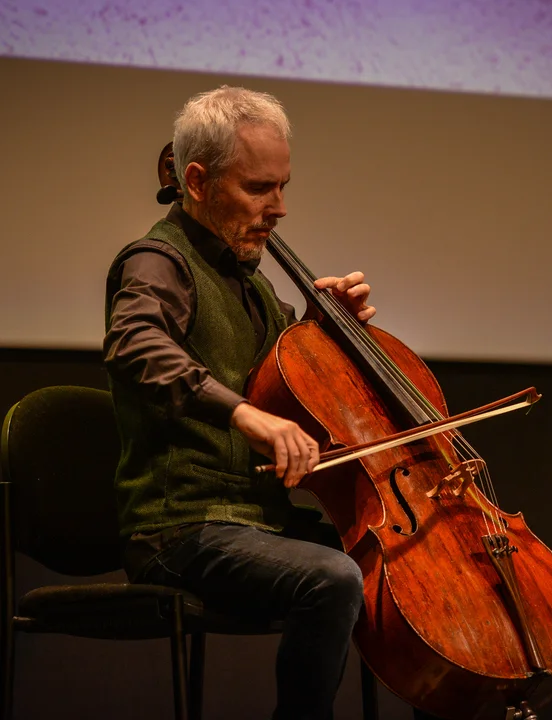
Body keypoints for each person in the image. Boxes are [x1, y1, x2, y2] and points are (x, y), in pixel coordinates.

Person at [103, 85, 383, 720]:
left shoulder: (253, 287)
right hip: (180, 528)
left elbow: (292, 380)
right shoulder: (157, 262)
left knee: (400, 567)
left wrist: (326, 327)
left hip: (257, 521)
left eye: (282, 187)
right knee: (333, 577)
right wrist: (242, 413)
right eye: (259, 189)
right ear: (197, 182)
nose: (278, 208)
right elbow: (134, 342)